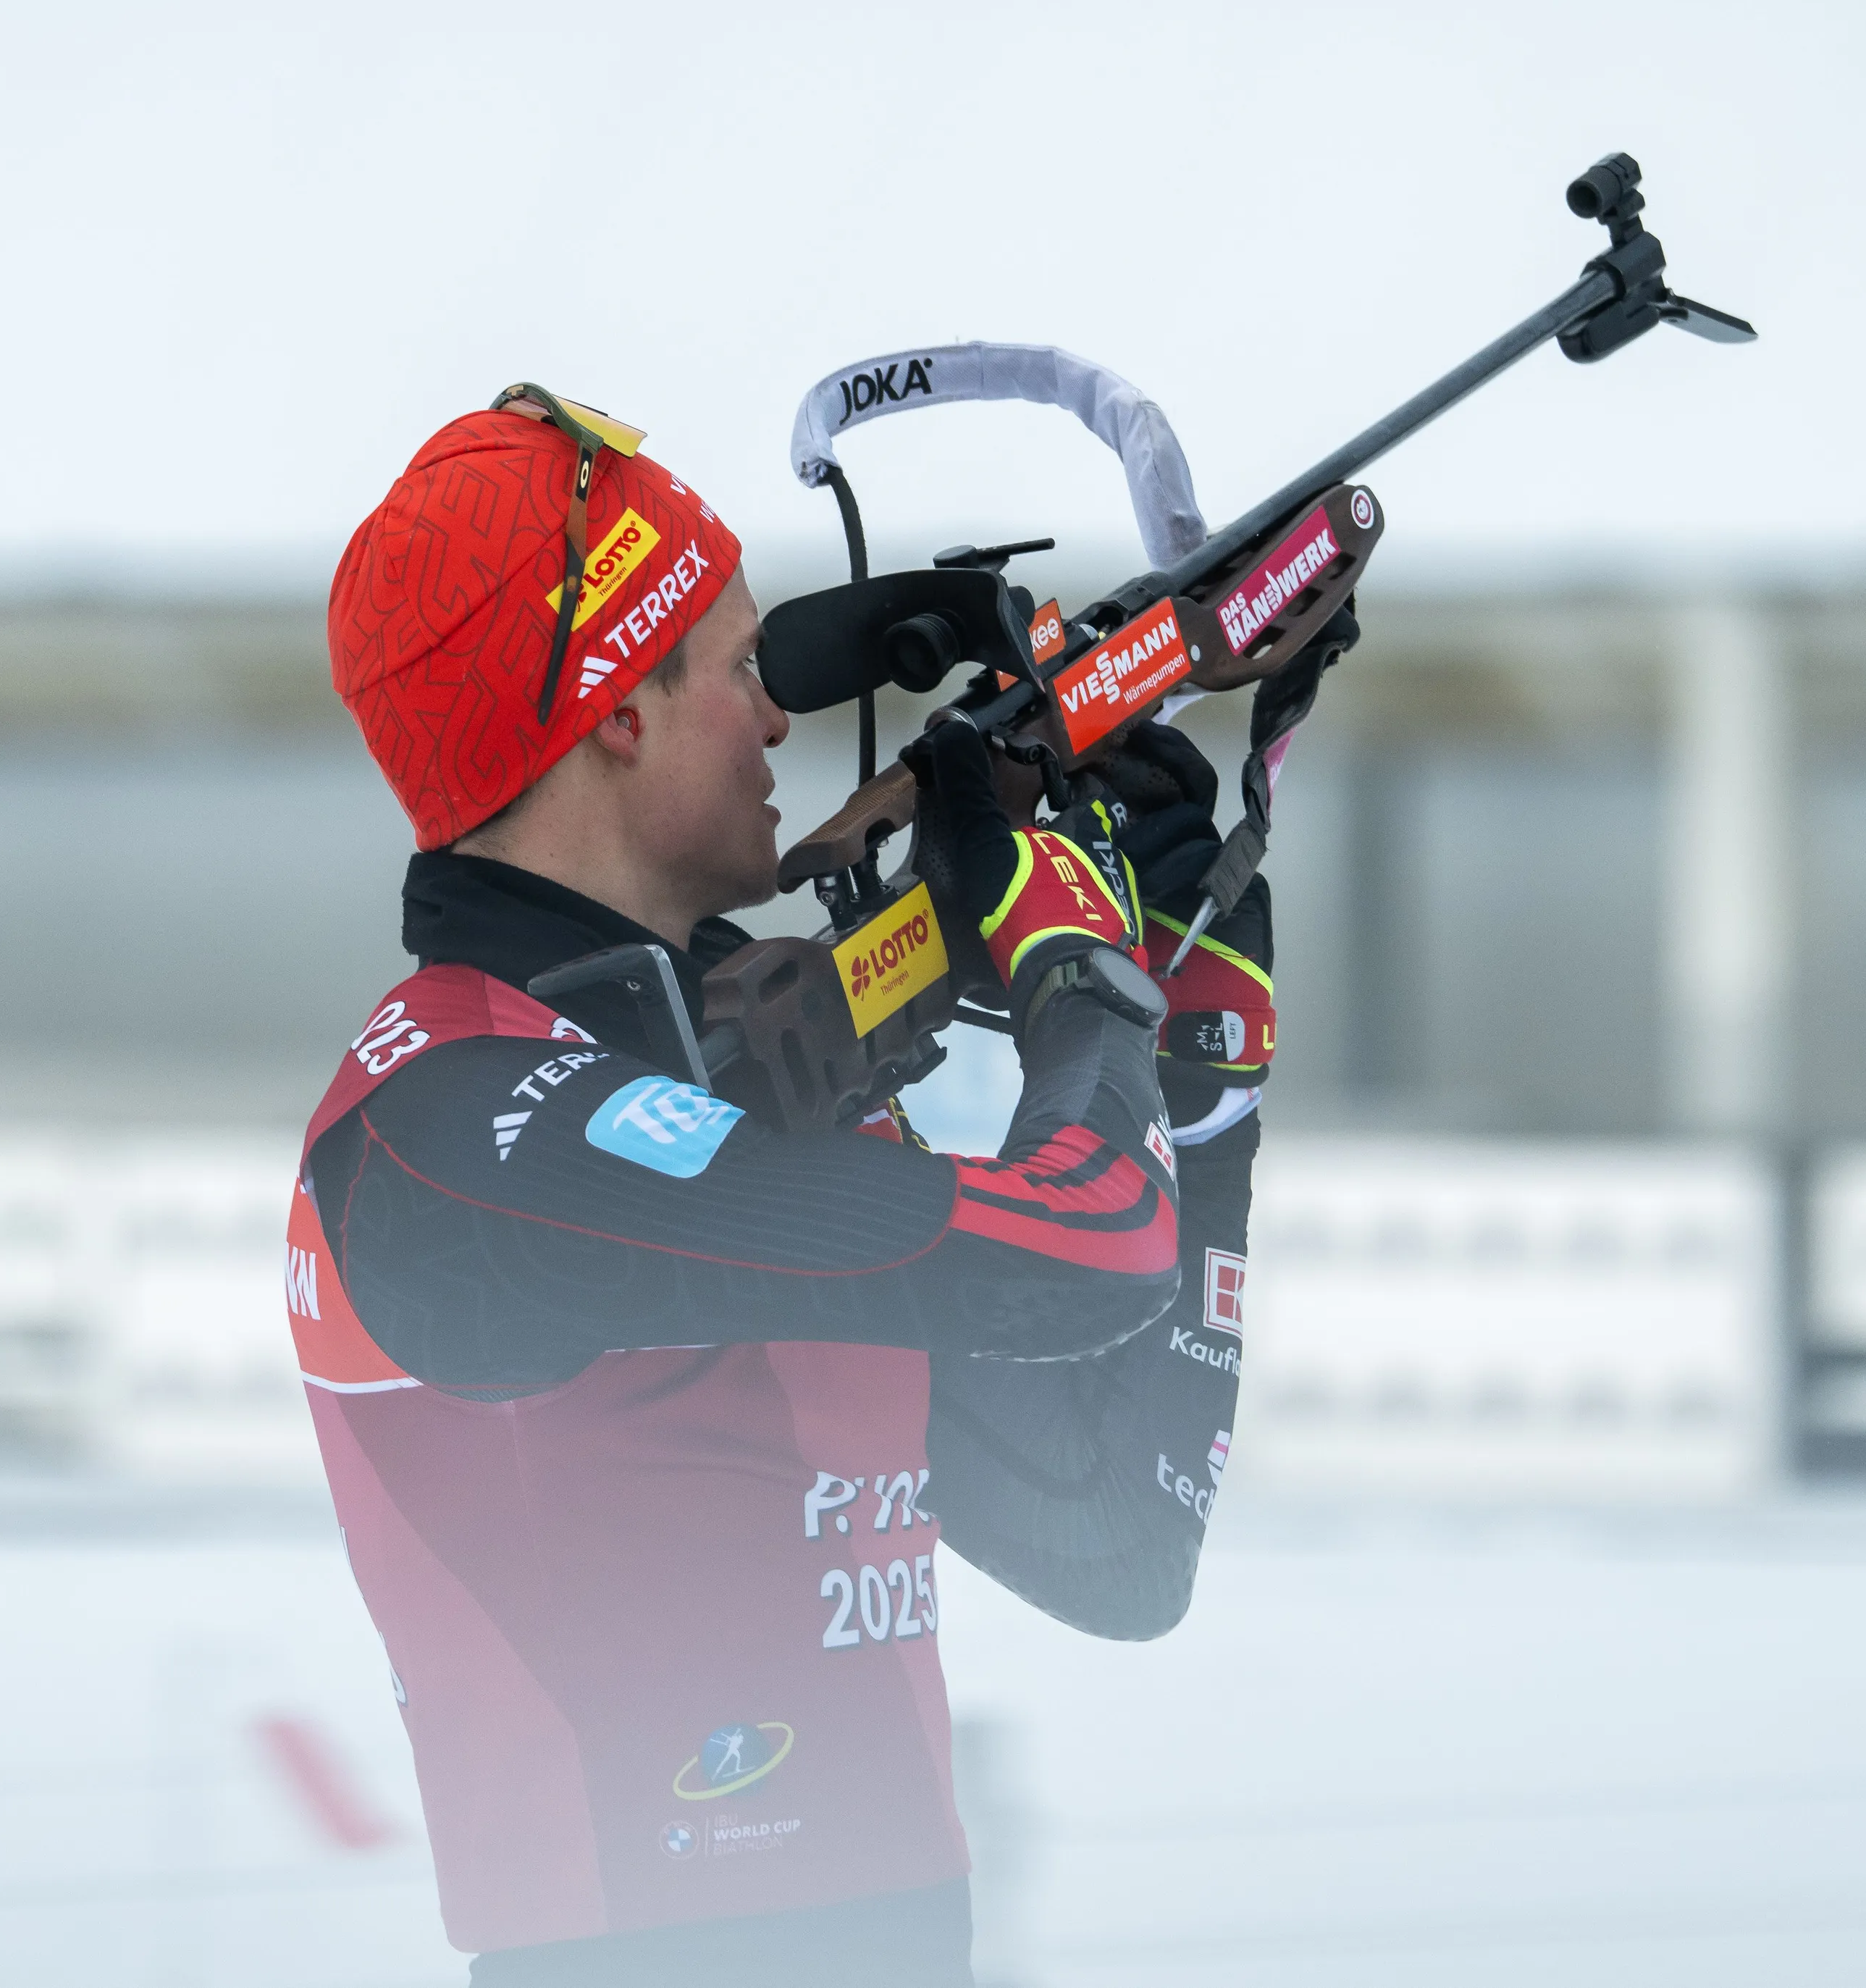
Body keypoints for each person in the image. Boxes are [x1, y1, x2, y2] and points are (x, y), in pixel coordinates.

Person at [291, 387, 1282, 1986]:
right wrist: (1073, 969)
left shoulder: (731, 1061)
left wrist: (1202, 1042)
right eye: (738, 667)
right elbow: (1090, 1241)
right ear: (615, 707)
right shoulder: (450, 1121)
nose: (774, 721)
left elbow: (1117, 1534)